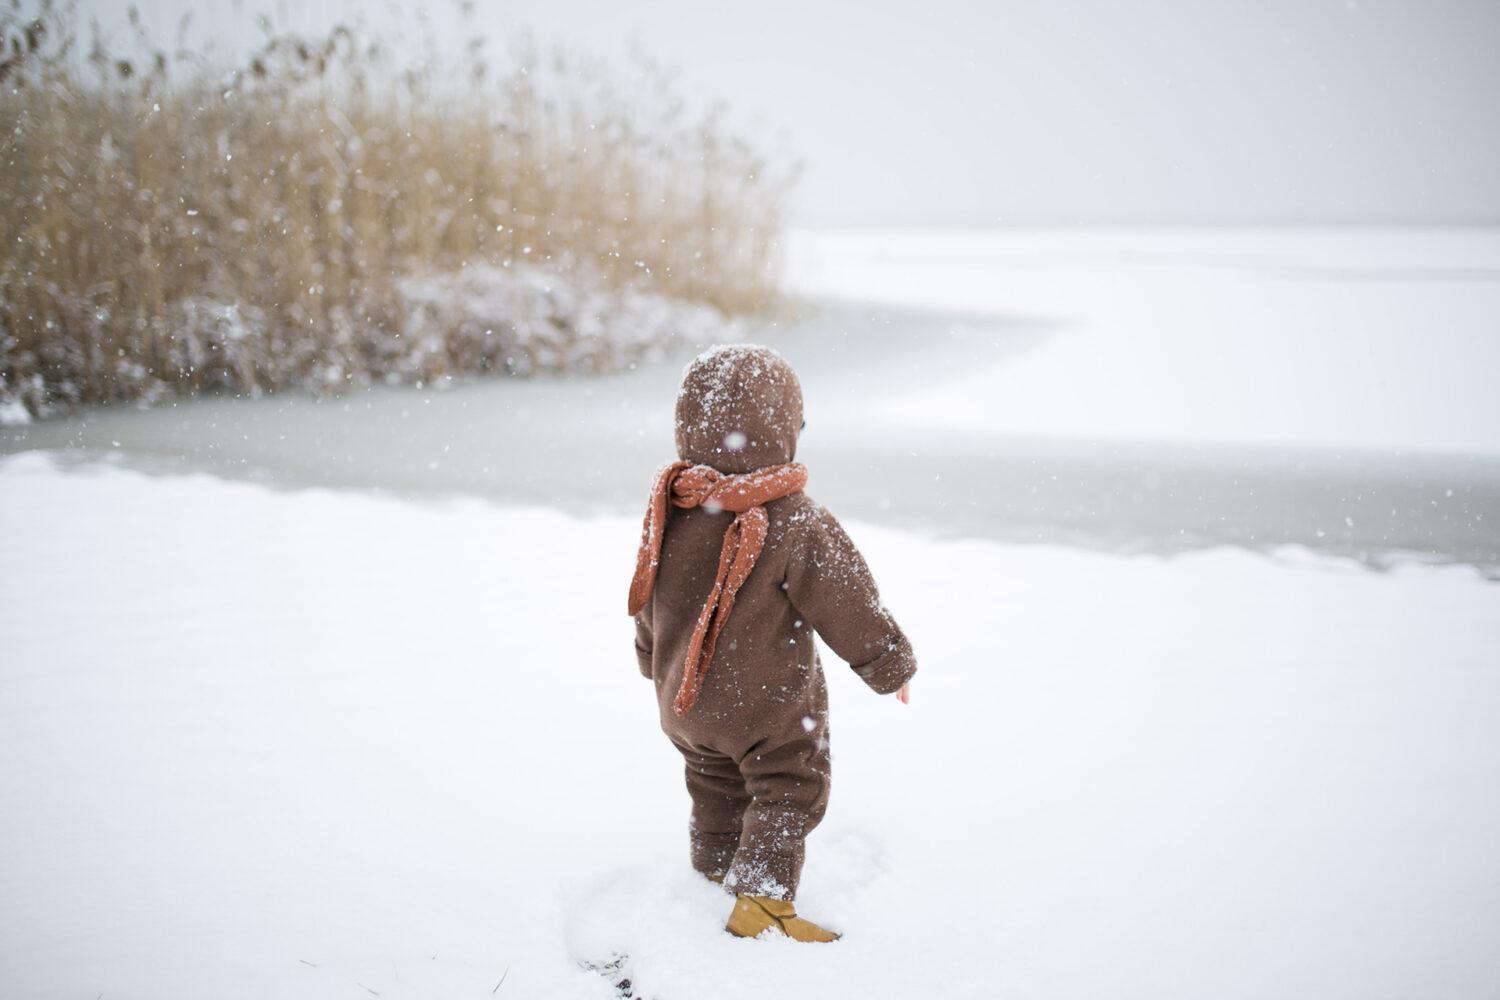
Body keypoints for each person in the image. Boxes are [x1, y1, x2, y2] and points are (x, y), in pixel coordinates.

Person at [628, 344, 917, 942]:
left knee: (714, 786)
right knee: (789, 786)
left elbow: (650, 594)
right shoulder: (794, 518)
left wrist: (651, 659)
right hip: (766, 708)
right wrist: (888, 663)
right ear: (787, 427)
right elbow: (847, 602)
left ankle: (710, 873)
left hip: (683, 703)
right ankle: (760, 903)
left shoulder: (673, 505)